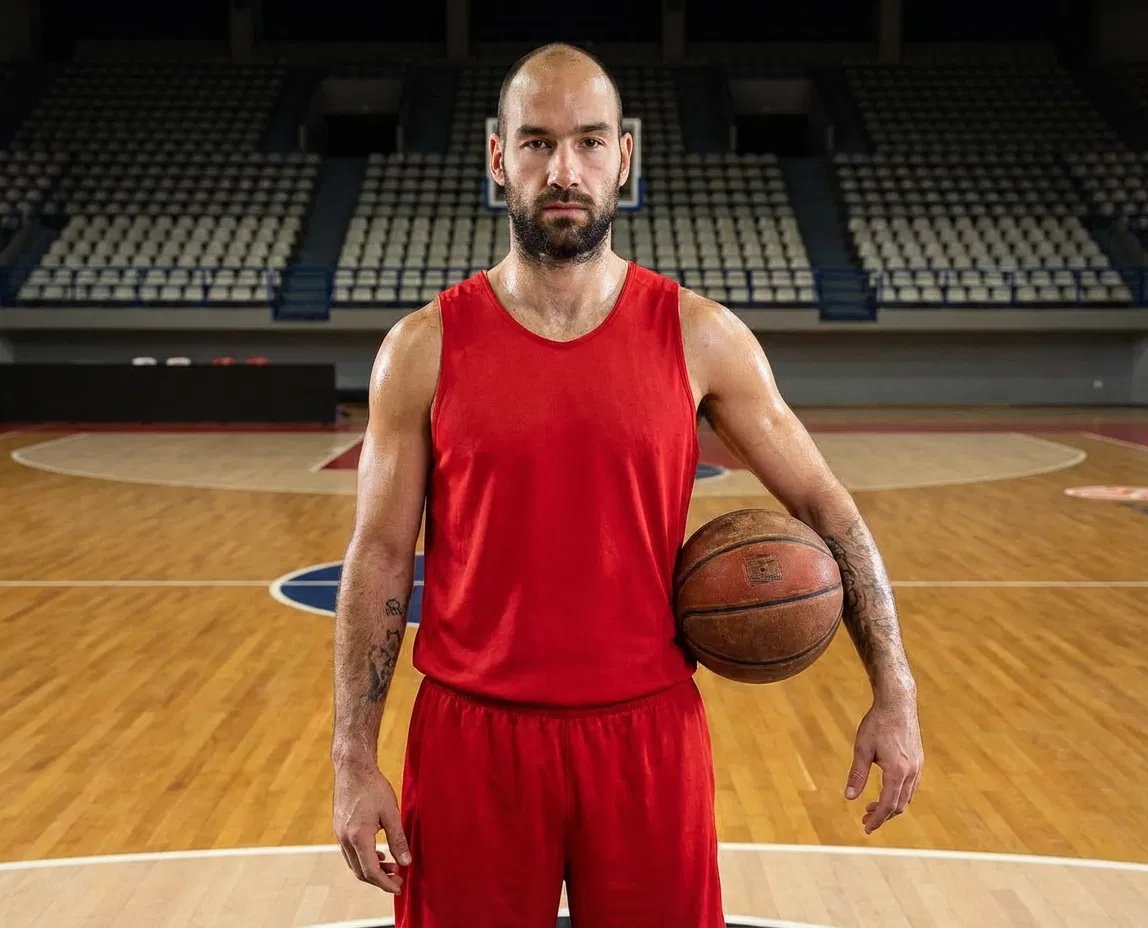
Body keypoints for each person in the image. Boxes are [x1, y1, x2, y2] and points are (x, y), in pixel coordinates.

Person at [331, 42, 924, 928]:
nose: (562, 169)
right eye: (535, 143)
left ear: (624, 157)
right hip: (471, 740)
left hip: (646, 736)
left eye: (588, 142)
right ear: (497, 158)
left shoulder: (701, 337)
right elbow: (380, 555)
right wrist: (352, 757)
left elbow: (825, 505)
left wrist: (896, 691)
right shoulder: (422, 348)